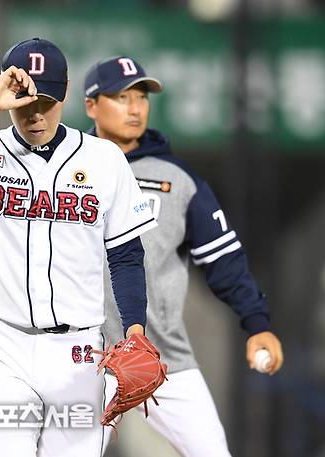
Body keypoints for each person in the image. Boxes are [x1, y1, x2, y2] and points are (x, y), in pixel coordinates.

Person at [0, 38, 158, 457]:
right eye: (24, 101)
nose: (36, 113)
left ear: (67, 91)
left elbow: (126, 254)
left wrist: (134, 331)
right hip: (4, 348)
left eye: (47, 100)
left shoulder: (103, 159)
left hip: (78, 353)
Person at [83, 55, 284, 456]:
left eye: (141, 96)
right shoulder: (65, 169)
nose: (135, 107)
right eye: (122, 97)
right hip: (85, 355)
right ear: (92, 105)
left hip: (163, 356)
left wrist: (256, 322)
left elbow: (224, 259)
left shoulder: (178, 179)